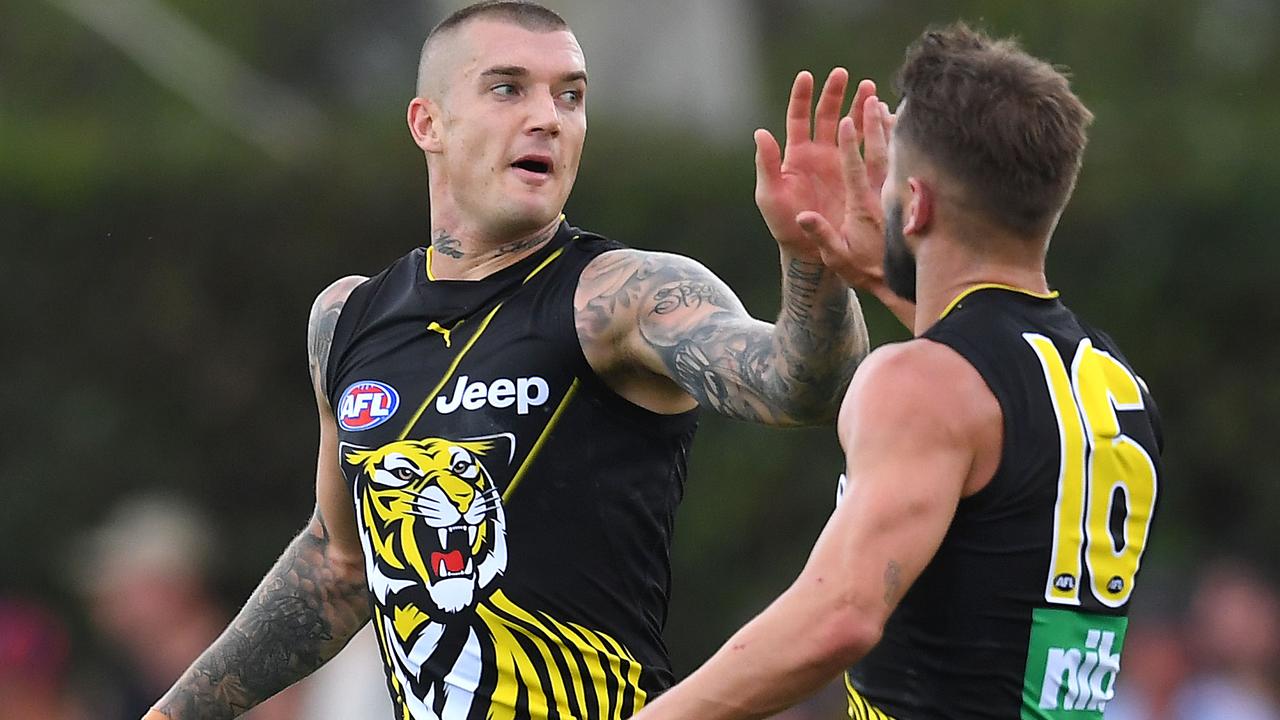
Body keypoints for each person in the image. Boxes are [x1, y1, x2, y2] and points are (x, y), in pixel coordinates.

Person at [143, 2, 878, 718]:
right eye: (508, 88)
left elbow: (804, 390)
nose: (548, 117)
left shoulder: (622, 295)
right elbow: (341, 566)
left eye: (571, 95)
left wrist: (813, 261)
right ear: (428, 123)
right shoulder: (347, 319)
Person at [631, 22, 1165, 720]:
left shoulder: (917, 382)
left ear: (916, 203)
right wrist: (879, 274)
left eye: (886, 179)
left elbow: (839, 619)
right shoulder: (1115, 381)